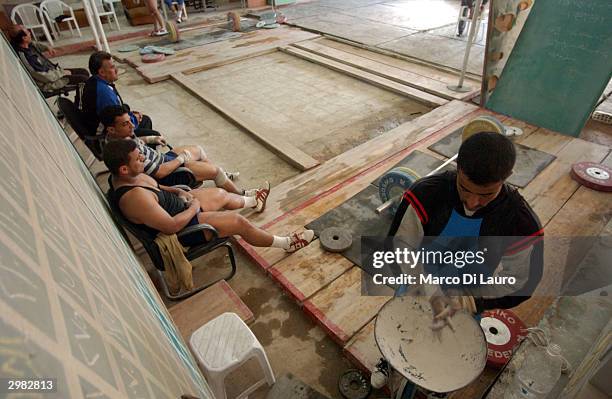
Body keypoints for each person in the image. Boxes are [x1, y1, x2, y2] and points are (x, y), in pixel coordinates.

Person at [372, 132, 544, 392]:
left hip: (468, 294)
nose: (473, 201)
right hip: (417, 283)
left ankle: (436, 381)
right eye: (465, 188)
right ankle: (390, 361)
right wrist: (423, 284)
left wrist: (471, 301)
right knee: (401, 329)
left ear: (505, 178)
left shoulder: (519, 222)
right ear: (458, 168)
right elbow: (400, 245)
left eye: (486, 194)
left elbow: (522, 282)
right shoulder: (426, 194)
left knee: (448, 348)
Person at [103, 139, 315, 252]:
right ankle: (286, 243)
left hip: (179, 204)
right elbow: (171, 227)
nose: (143, 160)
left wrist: (177, 191)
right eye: (138, 159)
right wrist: (194, 207)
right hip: (184, 227)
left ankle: (253, 201)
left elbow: (157, 188)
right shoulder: (135, 198)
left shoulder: (127, 176)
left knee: (221, 194)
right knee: (239, 223)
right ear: (123, 169)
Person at [101, 104, 250, 195]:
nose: (132, 126)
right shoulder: (126, 154)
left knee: (198, 150)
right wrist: (180, 159)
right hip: (167, 171)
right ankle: (240, 193)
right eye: (125, 124)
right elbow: (160, 172)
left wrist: (152, 139)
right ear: (111, 129)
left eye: (130, 122)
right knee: (215, 171)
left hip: (163, 159)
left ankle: (219, 177)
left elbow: (138, 141)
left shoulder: (122, 136)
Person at [81, 51, 156, 137]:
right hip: (107, 135)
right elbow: (118, 125)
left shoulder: (94, 81)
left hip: (100, 125)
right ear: (102, 72)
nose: (116, 70)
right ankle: (139, 149)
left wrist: (130, 114)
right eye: (112, 67)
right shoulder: (105, 94)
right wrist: (134, 119)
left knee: (128, 109)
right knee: (147, 123)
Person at [10, 25, 89, 100]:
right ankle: (80, 105)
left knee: (84, 72)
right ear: (24, 38)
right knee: (84, 80)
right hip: (49, 83)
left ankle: (81, 100)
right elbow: (44, 76)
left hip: (53, 72)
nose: (30, 33)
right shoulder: (27, 57)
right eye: (28, 32)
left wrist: (47, 47)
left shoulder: (26, 45)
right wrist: (62, 73)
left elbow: (35, 44)